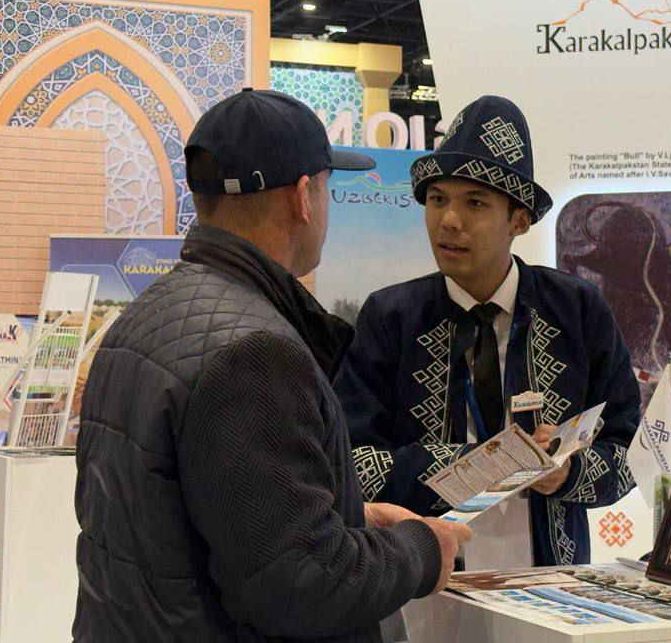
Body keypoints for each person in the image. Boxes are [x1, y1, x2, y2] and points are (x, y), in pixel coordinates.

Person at [73, 88, 470, 643]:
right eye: (329, 187)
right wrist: (421, 551)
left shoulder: (143, 319)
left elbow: (208, 521)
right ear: (304, 197)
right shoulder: (255, 352)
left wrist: (352, 516)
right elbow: (300, 584)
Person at [335, 94, 640, 568]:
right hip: (424, 576)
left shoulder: (576, 310)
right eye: (437, 200)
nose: (448, 221)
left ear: (518, 220)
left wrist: (566, 472)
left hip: (552, 579)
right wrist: (484, 463)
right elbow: (353, 462)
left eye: (474, 203)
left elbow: (630, 451)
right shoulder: (392, 317)